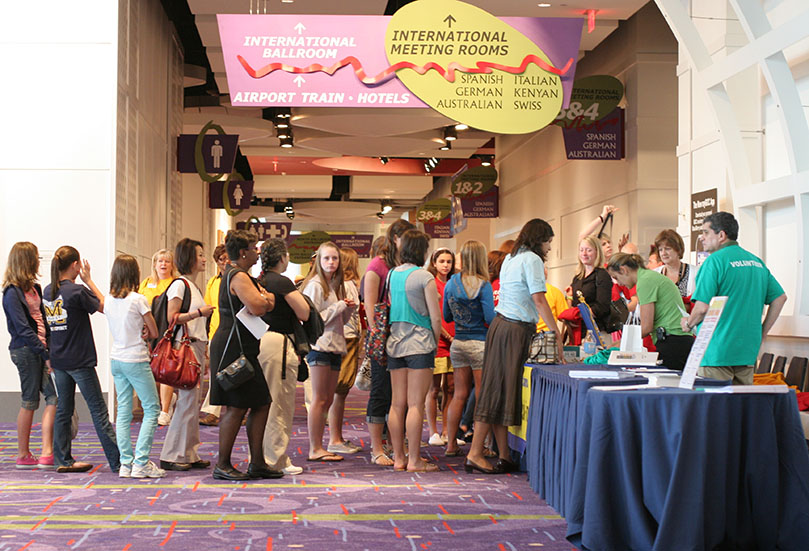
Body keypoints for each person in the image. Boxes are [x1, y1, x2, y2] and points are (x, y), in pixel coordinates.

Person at [465, 219, 563, 475]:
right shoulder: (531, 259)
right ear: (538, 239)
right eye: (548, 241)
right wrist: (555, 332)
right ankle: (475, 453)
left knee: (501, 390)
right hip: (515, 329)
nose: (549, 247)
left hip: (501, 327)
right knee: (497, 391)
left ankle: (505, 454)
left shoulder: (511, 257)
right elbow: (539, 300)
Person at [681, 212, 786, 385]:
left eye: (706, 232)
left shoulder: (714, 262)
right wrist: (763, 333)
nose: (702, 238)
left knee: (715, 409)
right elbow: (780, 298)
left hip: (716, 351)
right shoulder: (756, 262)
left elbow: (701, 308)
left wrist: (688, 323)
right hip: (747, 352)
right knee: (741, 409)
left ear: (721, 235)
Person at [43, 246, 120, 473]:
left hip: (59, 360)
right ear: (76, 265)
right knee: (98, 411)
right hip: (80, 359)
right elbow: (106, 307)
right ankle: (117, 461)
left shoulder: (48, 291)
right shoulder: (77, 291)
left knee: (64, 410)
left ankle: (63, 460)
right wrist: (89, 280)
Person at [210, 229, 277, 480]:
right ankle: (223, 464)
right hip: (233, 347)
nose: (257, 252)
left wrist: (264, 298)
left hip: (242, 345)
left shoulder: (240, 275)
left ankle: (257, 463)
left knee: (261, 402)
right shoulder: (237, 275)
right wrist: (267, 300)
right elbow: (260, 306)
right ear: (242, 252)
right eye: (254, 248)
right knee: (236, 407)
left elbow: (262, 300)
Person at [386, 230, 443, 473]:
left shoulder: (391, 274)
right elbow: (435, 316)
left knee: (397, 404)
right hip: (420, 342)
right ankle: (415, 460)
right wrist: (436, 340)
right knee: (416, 404)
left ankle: (399, 457)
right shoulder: (424, 276)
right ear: (423, 250)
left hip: (395, 342)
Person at [104, 255, 164, 478]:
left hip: (116, 359)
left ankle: (126, 464)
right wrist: (147, 331)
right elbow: (154, 331)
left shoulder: (109, 300)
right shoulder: (138, 300)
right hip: (136, 358)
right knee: (151, 409)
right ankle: (141, 462)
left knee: (123, 413)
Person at [158, 239, 215, 473]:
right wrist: (198, 313)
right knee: (186, 403)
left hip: (196, 346)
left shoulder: (192, 285)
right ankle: (172, 454)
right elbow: (172, 316)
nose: (203, 259)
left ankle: (189, 451)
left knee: (192, 403)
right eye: (200, 255)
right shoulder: (180, 285)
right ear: (189, 258)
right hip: (187, 347)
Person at [363, 219, 414, 467]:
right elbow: (370, 307)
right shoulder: (377, 265)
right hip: (383, 338)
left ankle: (397, 444)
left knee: (400, 395)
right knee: (381, 392)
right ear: (395, 238)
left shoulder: (403, 266)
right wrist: (378, 337)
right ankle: (376, 447)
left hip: (403, 337)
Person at [257, 238, 310, 476]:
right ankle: (275, 459)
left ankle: (261, 455)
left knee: (264, 403)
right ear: (282, 258)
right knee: (279, 403)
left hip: (262, 341)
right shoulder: (282, 281)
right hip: (279, 343)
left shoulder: (260, 280)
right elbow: (304, 312)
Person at [2, 242, 57, 469]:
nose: (38, 260)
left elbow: (43, 321)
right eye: (35, 257)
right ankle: (23, 454)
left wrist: (50, 348)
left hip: (40, 350)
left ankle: (47, 451)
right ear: (25, 260)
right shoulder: (11, 292)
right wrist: (44, 353)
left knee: (55, 397)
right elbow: (23, 328)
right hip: (25, 351)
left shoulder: (34, 286)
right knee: (30, 401)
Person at [302, 241, 356, 462]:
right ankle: (315, 447)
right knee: (319, 399)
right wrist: (339, 307)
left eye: (335, 258)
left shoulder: (335, 285)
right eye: (327, 258)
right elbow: (312, 320)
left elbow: (339, 321)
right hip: (320, 346)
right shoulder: (315, 285)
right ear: (318, 261)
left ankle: (321, 445)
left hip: (335, 346)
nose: (331, 262)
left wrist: (348, 310)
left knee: (327, 400)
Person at [442, 240, 495, 457]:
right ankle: (480, 446)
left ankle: (451, 444)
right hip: (479, 343)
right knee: (482, 395)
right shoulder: (483, 285)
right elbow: (491, 318)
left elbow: (446, 316)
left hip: (458, 343)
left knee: (459, 394)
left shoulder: (451, 283)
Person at [606, 253, 693, 371]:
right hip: (677, 339)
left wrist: (619, 345)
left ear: (623, 270)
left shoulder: (645, 281)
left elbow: (646, 327)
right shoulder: (649, 277)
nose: (619, 283)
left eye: (616, 277)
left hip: (673, 341)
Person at [327, 247, 363, 455]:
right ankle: (335, 438)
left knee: (336, 391)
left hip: (340, 337)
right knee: (340, 390)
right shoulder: (347, 285)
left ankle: (336, 436)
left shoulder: (335, 283)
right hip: (347, 338)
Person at [138, 249, 179, 427]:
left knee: (165, 372)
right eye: (160, 261)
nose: (163, 264)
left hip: (167, 330)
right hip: (148, 331)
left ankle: (164, 410)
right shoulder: (146, 283)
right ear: (154, 264)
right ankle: (168, 399)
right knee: (150, 373)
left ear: (172, 265)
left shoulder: (175, 283)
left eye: (167, 261)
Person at [425, 247, 456, 447]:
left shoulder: (454, 283)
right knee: (433, 388)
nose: (445, 265)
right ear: (434, 263)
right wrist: (447, 336)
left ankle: (447, 429)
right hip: (438, 341)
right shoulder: (431, 284)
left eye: (449, 262)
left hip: (456, 340)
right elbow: (432, 314)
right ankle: (433, 431)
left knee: (451, 388)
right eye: (442, 261)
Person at [199, 244, 229, 426]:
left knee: (234, 371)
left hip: (235, 332)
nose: (225, 262)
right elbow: (208, 310)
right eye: (221, 259)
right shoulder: (212, 282)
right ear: (216, 262)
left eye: (227, 258)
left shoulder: (239, 279)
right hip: (215, 332)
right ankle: (213, 411)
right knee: (216, 373)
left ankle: (217, 410)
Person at [570, 235, 613, 333]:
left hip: (597, 330)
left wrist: (578, 315)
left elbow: (602, 307)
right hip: (579, 329)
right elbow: (573, 303)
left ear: (597, 252)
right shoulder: (577, 277)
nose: (584, 254)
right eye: (581, 250)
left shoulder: (602, 275)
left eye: (588, 250)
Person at [653, 229, 697, 304]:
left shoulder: (695, 272)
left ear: (678, 250)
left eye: (667, 249)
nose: (663, 253)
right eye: (660, 250)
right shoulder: (654, 275)